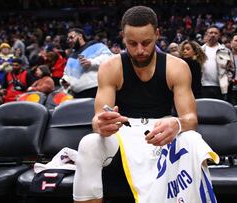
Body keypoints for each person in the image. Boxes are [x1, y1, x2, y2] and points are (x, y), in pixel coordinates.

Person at [72, 6, 218, 203]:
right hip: (122, 132)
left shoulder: (177, 67)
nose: (140, 50)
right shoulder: (110, 66)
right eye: (132, 43)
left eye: (146, 42)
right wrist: (101, 124)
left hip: (162, 128)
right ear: (123, 36)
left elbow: (191, 119)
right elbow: (98, 119)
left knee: (192, 138)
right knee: (88, 143)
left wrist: (177, 124)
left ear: (157, 34)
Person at [60, 27, 113, 98]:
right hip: (77, 94)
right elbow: (66, 73)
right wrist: (64, 80)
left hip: (96, 89)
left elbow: (109, 58)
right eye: (68, 39)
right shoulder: (71, 57)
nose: (69, 40)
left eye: (71, 37)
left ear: (80, 36)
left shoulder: (95, 45)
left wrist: (91, 62)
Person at [201, 25, 234, 100]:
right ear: (206, 35)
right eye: (211, 33)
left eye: (216, 33)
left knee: (219, 110)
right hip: (203, 86)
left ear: (219, 36)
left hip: (220, 87)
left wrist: (227, 81)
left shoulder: (225, 51)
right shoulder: (200, 50)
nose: (213, 35)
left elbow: (231, 69)